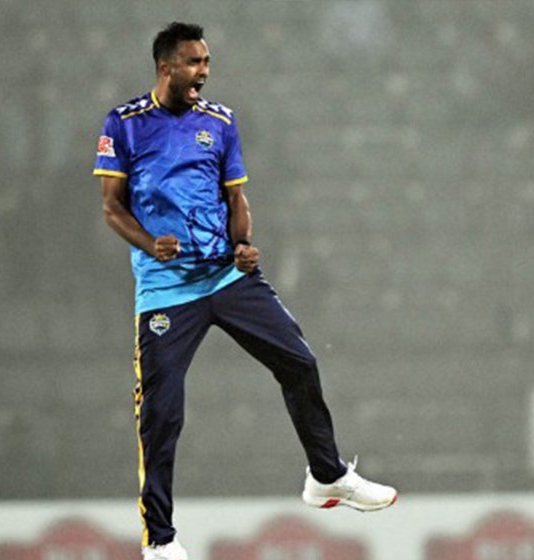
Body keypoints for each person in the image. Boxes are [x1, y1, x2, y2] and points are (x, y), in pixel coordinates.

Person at [94, 22, 397, 560]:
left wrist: (243, 245)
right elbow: (112, 207)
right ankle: (159, 541)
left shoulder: (221, 122)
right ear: (166, 67)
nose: (204, 72)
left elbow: (236, 198)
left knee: (299, 362)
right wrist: (148, 244)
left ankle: (327, 476)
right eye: (194, 62)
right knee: (162, 414)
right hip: (166, 290)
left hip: (226, 276)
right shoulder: (125, 124)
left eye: (207, 62)